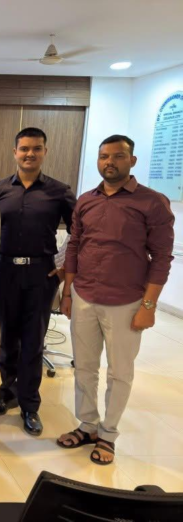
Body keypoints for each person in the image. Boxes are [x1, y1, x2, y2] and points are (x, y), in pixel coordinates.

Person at [57, 135, 174, 465]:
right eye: (104, 156)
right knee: (84, 367)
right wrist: (67, 292)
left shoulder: (153, 202)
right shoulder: (86, 200)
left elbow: (162, 257)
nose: (110, 162)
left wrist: (148, 306)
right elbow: (74, 246)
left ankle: (108, 434)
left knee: (120, 372)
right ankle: (87, 425)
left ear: (132, 160)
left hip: (126, 300)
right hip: (84, 295)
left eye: (118, 156)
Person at [0, 128, 76, 436]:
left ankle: (29, 405)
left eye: (36, 149)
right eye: (24, 149)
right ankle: (7, 394)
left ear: (44, 152)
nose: (30, 154)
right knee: (7, 338)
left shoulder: (60, 191)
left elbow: (80, 232)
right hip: (3, 272)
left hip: (41, 274)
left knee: (33, 341)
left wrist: (62, 266)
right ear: (15, 152)